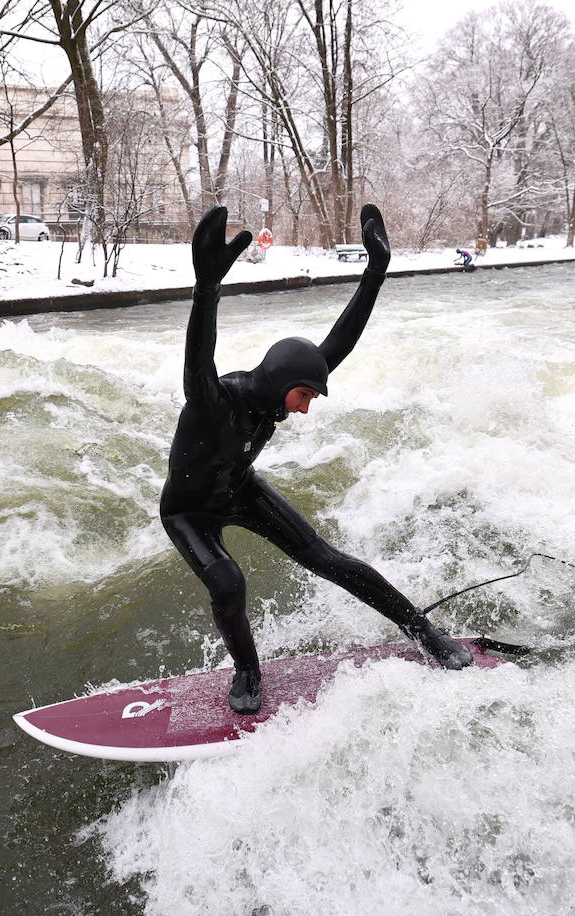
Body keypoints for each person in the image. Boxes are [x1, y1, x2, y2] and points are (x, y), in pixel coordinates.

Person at [160, 205, 473, 715]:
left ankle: (424, 631)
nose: (305, 409)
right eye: (305, 396)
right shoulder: (213, 400)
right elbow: (198, 358)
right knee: (228, 581)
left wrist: (375, 271)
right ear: (284, 384)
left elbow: (341, 341)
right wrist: (207, 289)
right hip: (188, 511)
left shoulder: (277, 390)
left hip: (240, 489)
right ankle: (247, 670)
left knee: (330, 559)